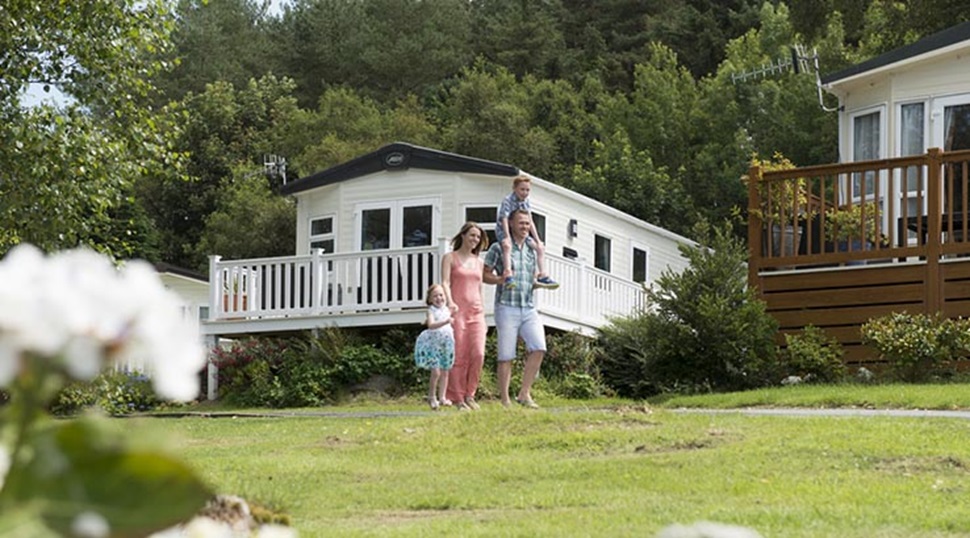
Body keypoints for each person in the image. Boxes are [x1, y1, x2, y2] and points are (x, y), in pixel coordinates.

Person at [483, 209, 547, 408]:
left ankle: (524, 393)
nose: (525, 227)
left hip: (528, 306)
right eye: (521, 223)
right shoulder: (499, 247)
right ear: (511, 224)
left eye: (527, 224)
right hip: (506, 307)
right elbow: (485, 274)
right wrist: (500, 279)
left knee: (539, 348)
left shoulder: (531, 249)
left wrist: (537, 281)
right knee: (506, 355)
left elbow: (533, 275)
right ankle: (505, 400)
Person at [442, 222, 490, 411]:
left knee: (478, 354)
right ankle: (458, 398)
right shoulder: (450, 258)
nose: (475, 240)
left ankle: (471, 394)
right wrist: (450, 301)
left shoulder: (479, 262)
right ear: (462, 235)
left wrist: (484, 316)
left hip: (476, 312)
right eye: (472, 235)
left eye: (477, 237)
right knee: (459, 355)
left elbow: (480, 288)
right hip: (457, 311)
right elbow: (445, 282)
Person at [496, 174, 559, 290]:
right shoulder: (507, 200)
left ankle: (543, 275)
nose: (525, 193)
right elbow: (504, 219)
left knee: (540, 248)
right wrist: (507, 236)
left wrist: (538, 240)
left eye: (527, 190)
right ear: (515, 188)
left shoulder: (526, 202)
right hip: (505, 230)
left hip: (520, 232)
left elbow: (530, 221)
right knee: (507, 246)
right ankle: (508, 274)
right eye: (522, 189)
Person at [413, 284, 455, 410]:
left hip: (446, 344)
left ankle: (442, 397)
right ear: (430, 299)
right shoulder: (431, 310)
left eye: (441, 295)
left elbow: (455, 308)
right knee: (436, 372)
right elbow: (431, 325)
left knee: (445, 371)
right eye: (435, 296)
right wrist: (446, 321)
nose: (439, 298)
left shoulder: (447, 309)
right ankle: (431, 397)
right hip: (434, 345)